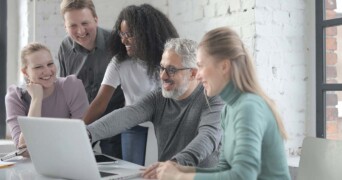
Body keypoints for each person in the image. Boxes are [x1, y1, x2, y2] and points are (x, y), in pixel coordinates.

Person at [156, 27, 291, 180]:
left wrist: (180, 177)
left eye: (200, 66)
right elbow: (224, 169)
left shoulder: (249, 107)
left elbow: (243, 176)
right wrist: (180, 170)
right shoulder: (228, 109)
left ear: (224, 66)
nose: (198, 76)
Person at [87, 38, 223, 174]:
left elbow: (208, 136)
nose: (163, 76)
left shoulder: (213, 97)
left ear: (192, 73)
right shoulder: (158, 98)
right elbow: (127, 114)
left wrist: (175, 164)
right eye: (162, 68)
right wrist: (87, 133)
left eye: (171, 70)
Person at [82, 4, 179, 165]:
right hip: (132, 125)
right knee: (133, 172)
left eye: (130, 34)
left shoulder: (168, 60)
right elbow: (100, 103)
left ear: (147, 34)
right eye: (121, 33)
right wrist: (78, 130)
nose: (123, 40)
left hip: (165, 126)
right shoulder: (119, 62)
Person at [58, 0, 125, 158]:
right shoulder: (65, 47)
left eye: (85, 23)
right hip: (79, 120)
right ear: (65, 27)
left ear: (96, 19)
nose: (80, 31)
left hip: (113, 121)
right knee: (71, 163)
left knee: (115, 167)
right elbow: (64, 91)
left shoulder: (117, 43)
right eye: (73, 26)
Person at [5, 42, 89, 154]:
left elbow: (81, 138)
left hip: (70, 158)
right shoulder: (15, 96)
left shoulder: (71, 86)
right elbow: (24, 150)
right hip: (31, 165)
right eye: (38, 67)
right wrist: (36, 99)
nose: (47, 71)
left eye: (50, 64)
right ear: (25, 72)